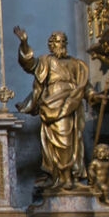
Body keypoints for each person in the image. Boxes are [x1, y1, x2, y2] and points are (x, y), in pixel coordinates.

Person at [14, 26, 97, 192]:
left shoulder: (76, 64)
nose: (62, 44)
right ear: (52, 45)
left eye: (64, 41)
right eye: (58, 42)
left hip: (72, 103)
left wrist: (93, 95)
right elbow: (29, 64)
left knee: (72, 142)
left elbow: (84, 86)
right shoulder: (46, 61)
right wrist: (24, 43)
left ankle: (69, 178)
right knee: (60, 143)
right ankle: (62, 177)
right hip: (53, 106)